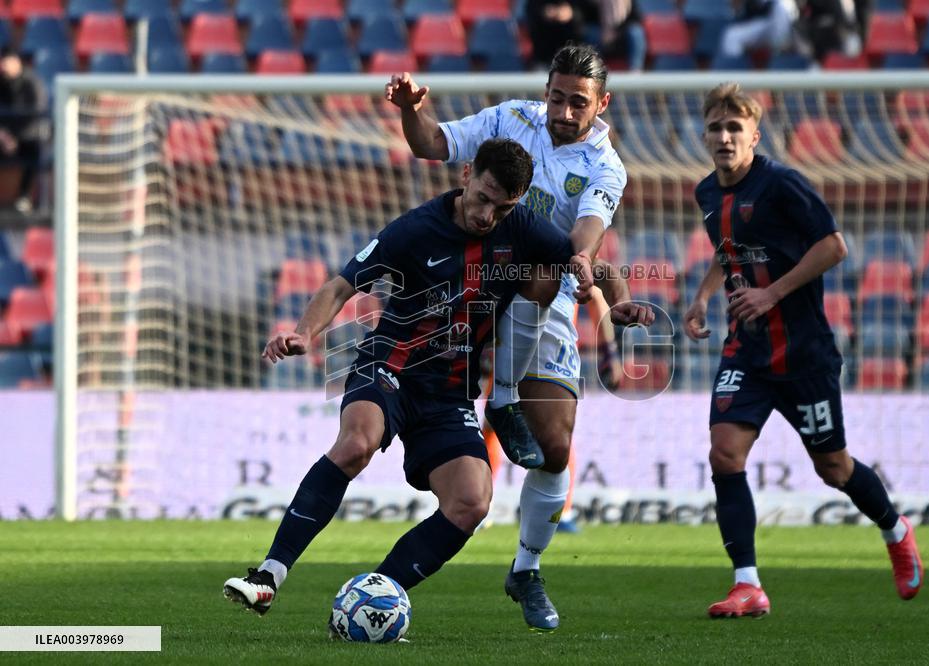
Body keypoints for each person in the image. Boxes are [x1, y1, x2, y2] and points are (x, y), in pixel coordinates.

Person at [223, 138, 652, 617]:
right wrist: (304, 333)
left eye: (503, 206)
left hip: (450, 393)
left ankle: (376, 596)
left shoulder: (525, 229)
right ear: (466, 174)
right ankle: (268, 575)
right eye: (484, 198)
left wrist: (618, 301)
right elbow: (343, 283)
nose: (488, 216)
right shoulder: (415, 229)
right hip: (389, 368)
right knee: (355, 444)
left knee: (472, 501)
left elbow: (595, 265)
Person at [385, 43, 628, 631]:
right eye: (557, 97)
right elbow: (432, 145)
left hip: (543, 297)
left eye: (578, 103)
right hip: (468, 281)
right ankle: (494, 402)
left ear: (602, 104)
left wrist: (597, 274)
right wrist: (412, 110)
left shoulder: (606, 165)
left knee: (555, 450)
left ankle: (525, 568)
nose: (564, 113)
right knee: (381, 395)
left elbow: (588, 230)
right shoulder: (508, 120)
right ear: (545, 89)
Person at [682, 82, 924, 618]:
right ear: (705, 135)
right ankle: (748, 584)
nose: (724, 138)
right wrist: (700, 299)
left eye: (734, 129)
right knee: (724, 453)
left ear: (753, 137)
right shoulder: (706, 193)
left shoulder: (783, 184)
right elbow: (728, 253)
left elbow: (835, 246)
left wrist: (770, 292)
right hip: (747, 350)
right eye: (716, 129)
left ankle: (895, 528)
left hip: (803, 355)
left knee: (833, 469)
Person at [0, 47, 45, 214]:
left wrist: (15, 137)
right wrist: (4, 135)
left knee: (35, 151)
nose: (3, 66)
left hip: (26, 137)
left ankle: (24, 197)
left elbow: (37, 114)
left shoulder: (32, 82)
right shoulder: (2, 83)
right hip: (4, 138)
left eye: (6, 61)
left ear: (16, 61)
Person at [720, 0, 799, 59]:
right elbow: (736, 8)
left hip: (779, 18)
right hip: (759, 22)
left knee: (782, 8)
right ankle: (735, 74)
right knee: (732, 36)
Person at [525, 1, 585, 70]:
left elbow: (586, 12)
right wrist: (543, 12)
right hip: (543, 56)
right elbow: (531, 11)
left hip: (572, 56)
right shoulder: (534, 5)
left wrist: (572, 13)